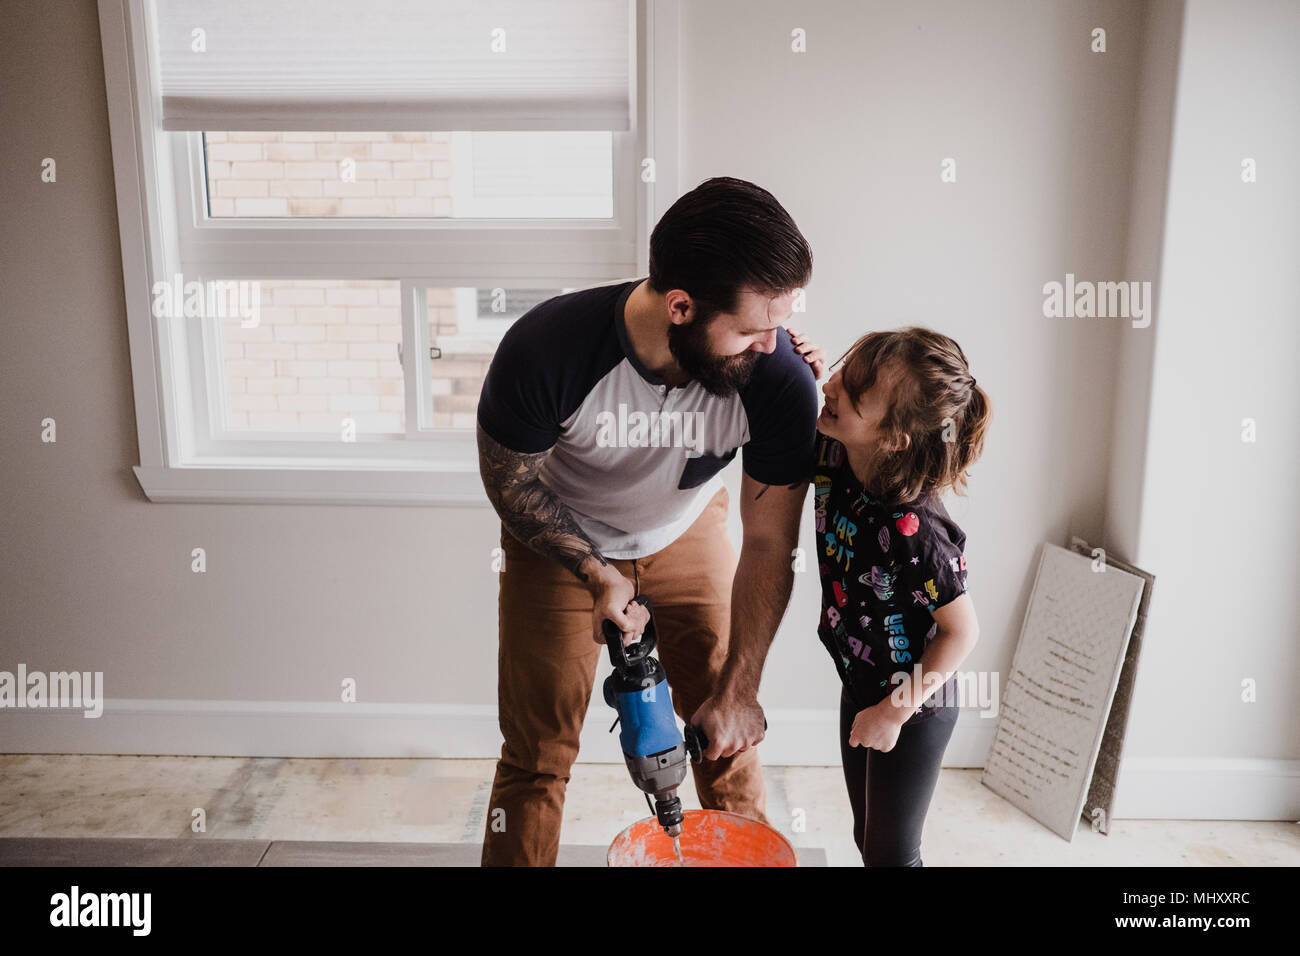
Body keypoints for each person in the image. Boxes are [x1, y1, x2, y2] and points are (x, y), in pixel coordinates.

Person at [474, 177, 827, 866]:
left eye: (780, 322)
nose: (772, 344)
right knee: (536, 758)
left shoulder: (778, 378)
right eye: (753, 328)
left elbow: (768, 540)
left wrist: (740, 692)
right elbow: (509, 482)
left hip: (687, 529)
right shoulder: (549, 350)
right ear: (681, 307)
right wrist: (594, 571)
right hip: (560, 542)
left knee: (729, 739)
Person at [805, 326, 990, 866]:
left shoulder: (916, 530)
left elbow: (963, 631)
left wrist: (894, 711)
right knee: (869, 839)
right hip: (861, 680)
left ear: (894, 438)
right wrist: (807, 368)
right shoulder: (836, 452)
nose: (833, 386)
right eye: (843, 367)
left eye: (855, 391)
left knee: (892, 855)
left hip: (914, 705)